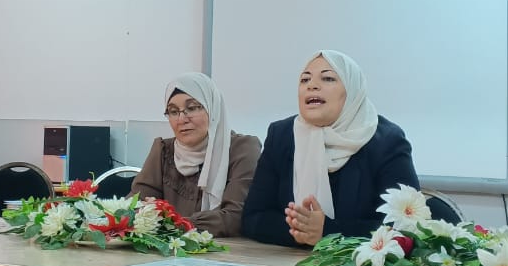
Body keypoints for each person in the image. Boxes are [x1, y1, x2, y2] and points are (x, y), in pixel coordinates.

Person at [242, 50, 420, 247]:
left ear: (352, 90)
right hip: (284, 262)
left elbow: (405, 228)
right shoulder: (282, 135)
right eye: (305, 80)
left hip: (359, 264)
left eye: (327, 78)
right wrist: (301, 231)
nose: (312, 85)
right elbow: (253, 217)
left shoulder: (387, 141)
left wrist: (328, 231)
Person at [130, 73, 261, 237]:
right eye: (173, 111)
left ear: (212, 109)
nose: (181, 119)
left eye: (191, 108)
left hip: (228, 249)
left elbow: (235, 217)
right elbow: (134, 205)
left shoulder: (242, 149)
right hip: (168, 249)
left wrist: (171, 222)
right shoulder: (163, 150)